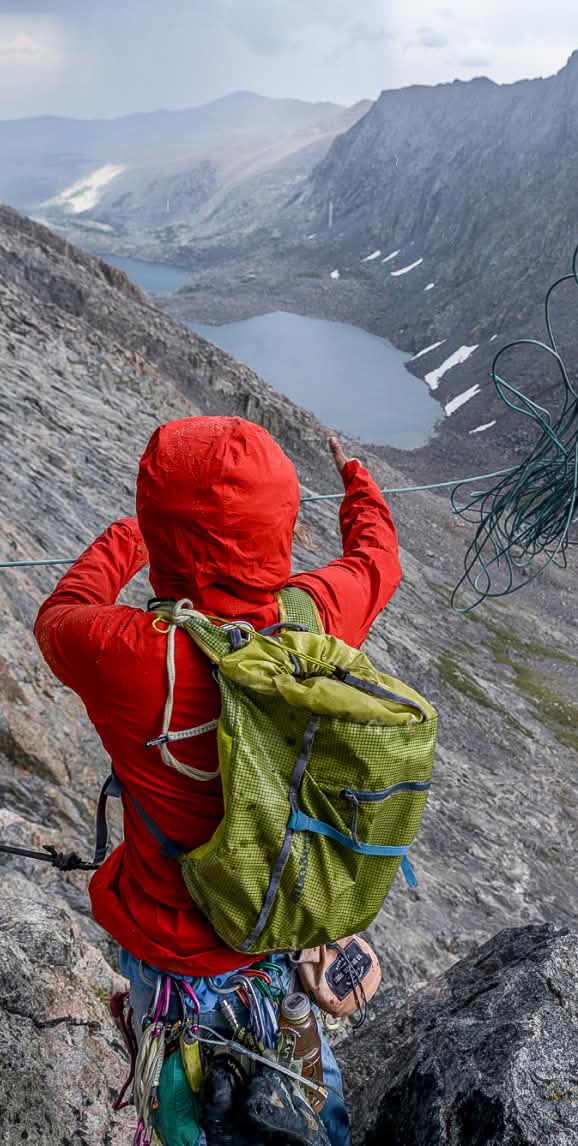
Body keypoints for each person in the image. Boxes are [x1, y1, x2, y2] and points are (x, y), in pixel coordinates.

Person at [34, 416, 402, 1145]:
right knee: (300, 1106)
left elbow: (61, 615)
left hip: (171, 964)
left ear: (160, 522)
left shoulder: (124, 657)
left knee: (185, 1116)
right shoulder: (313, 619)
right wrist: (356, 479)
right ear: (279, 523)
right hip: (280, 948)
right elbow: (377, 558)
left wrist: (131, 536)